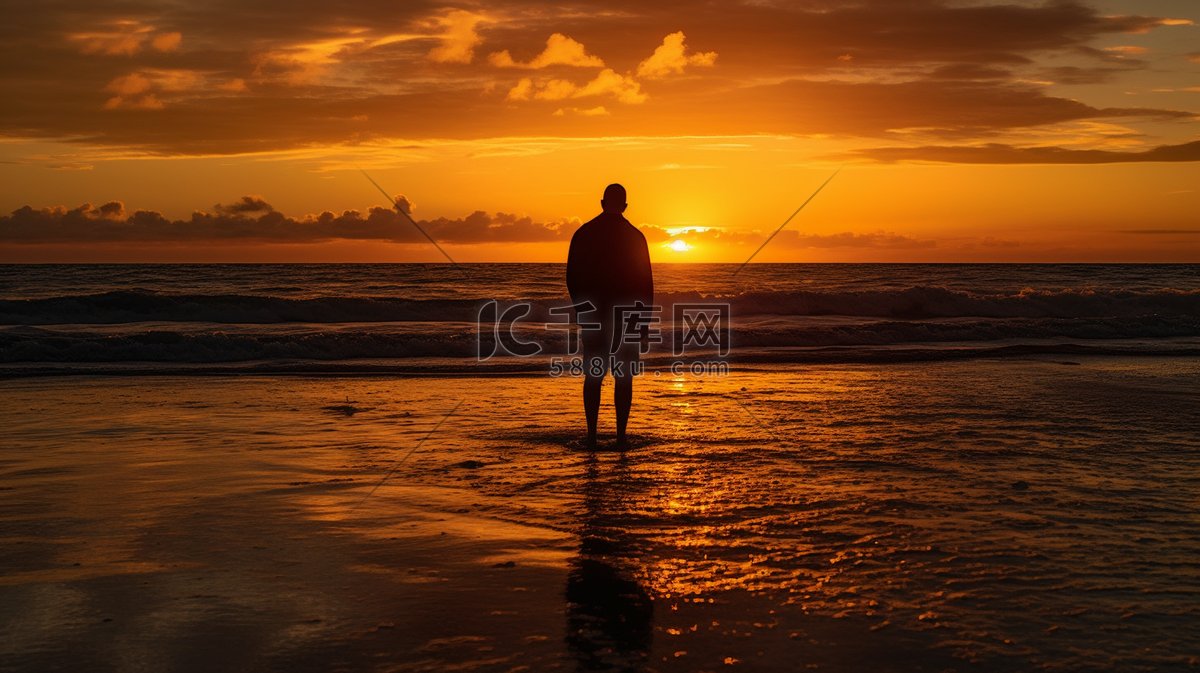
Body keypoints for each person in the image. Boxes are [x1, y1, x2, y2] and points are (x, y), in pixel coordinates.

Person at [566, 184, 654, 449]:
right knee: (623, 377)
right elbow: (645, 284)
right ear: (625, 206)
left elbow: (571, 277)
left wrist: (581, 310)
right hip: (626, 318)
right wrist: (643, 326)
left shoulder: (583, 233)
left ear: (602, 202)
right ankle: (620, 436)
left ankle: (592, 435)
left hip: (593, 315)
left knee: (593, 376)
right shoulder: (635, 237)